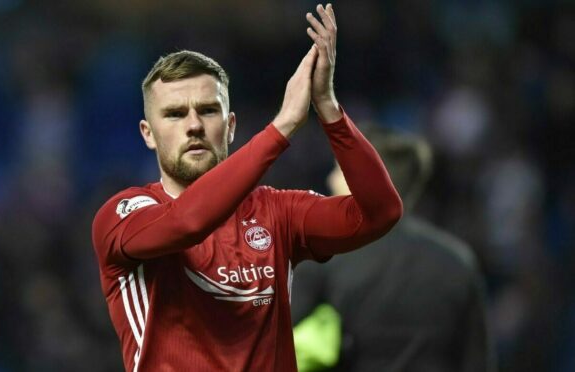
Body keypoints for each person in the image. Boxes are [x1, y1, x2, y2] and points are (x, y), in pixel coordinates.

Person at [91, 4, 403, 371]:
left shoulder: (277, 212)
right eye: (175, 114)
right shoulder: (123, 214)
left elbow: (381, 212)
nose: (193, 125)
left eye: (208, 111)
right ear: (148, 134)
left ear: (232, 125)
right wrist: (281, 127)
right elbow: (188, 222)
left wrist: (329, 109)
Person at [292, 128, 495, 372]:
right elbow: (477, 363)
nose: (330, 181)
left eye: (339, 171)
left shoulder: (325, 257)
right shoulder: (458, 261)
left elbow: (273, 343)